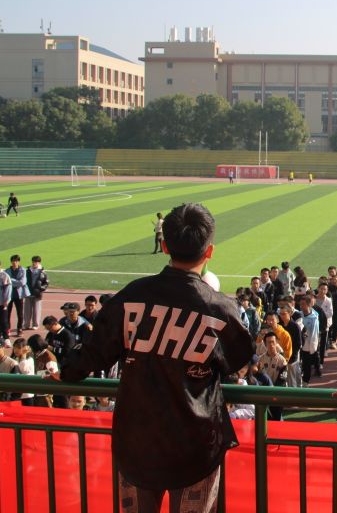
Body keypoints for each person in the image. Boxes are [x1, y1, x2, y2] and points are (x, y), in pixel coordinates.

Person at [60, 202, 254, 513]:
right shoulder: (220, 308)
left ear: (164, 246)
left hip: (137, 443)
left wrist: (64, 372)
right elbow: (238, 357)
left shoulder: (132, 295)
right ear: (209, 251)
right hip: (196, 446)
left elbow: (94, 352)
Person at [25, 256, 49, 332]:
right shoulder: (27, 271)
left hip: (37, 293)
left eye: (36, 262)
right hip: (28, 293)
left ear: (39, 263)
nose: (34, 263)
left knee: (36, 310)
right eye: (33, 261)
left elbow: (46, 283)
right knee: (27, 310)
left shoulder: (42, 272)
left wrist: (41, 288)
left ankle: (35, 324)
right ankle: (26, 324)